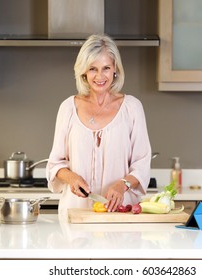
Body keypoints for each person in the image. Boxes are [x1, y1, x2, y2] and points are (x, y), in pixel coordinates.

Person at [46, 34, 152, 218]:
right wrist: (72, 178)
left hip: (120, 215)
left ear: (115, 70)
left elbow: (142, 165)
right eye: (93, 69)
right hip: (76, 214)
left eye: (106, 68)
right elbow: (55, 164)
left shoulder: (132, 108)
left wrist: (122, 185)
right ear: (84, 72)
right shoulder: (68, 108)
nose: (100, 76)